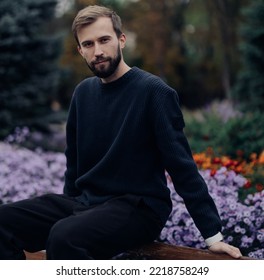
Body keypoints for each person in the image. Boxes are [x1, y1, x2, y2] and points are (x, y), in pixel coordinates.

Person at [0, 5, 242, 260]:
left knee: (65, 236)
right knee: (4, 221)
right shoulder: (83, 94)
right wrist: (71, 211)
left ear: (121, 40)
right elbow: (74, 164)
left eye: (105, 40)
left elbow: (182, 168)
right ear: (80, 51)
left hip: (140, 208)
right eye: (89, 44)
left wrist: (213, 236)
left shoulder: (154, 92)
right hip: (88, 203)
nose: (99, 51)